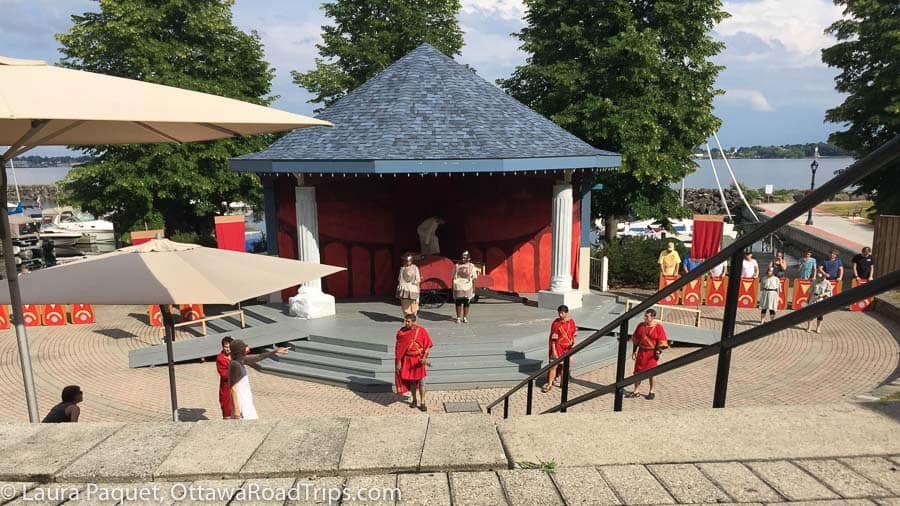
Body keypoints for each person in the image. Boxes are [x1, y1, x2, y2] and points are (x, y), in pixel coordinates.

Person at [228, 340, 288, 420]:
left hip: (246, 402)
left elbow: (258, 357)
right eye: (244, 348)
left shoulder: (241, 361)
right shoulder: (235, 365)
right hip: (241, 404)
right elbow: (233, 388)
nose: (246, 349)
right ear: (239, 351)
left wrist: (275, 351)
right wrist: (237, 409)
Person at [394, 314, 433, 411]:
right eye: (405, 321)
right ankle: (414, 400)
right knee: (412, 382)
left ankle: (423, 402)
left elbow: (428, 345)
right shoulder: (401, 332)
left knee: (421, 382)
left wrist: (424, 357)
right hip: (408, 360)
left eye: (408, 321)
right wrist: (399, 362)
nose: (406, 323)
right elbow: (399, 349)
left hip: (418, 360)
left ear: (414, 322)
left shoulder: (421, 331)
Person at [628, 309, 669, 400]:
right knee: (637, 372)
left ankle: (652, 391)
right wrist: (634, 351)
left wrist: (658, 351)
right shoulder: (640, 326)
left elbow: (662, 341)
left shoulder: (658, 327)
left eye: (647, 316)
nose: (645, 318)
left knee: (652, 373)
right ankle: (636, 391)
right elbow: (636, 340)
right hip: (641, 352)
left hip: (652, 353)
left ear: (653, 317)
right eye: (645, 316)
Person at [542, 305, 577, 392]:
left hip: (568, 347)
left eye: (562, 313)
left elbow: (573, 334)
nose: (560, 315)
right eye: (559, 313)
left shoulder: (571, 322)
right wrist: (553, 351)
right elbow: (553, 339)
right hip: (558, 347)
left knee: (565, 367)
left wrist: (574, 342)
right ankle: (549, 384)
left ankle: (562, 383)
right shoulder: (556, 323)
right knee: (554, 366)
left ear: (566, 313)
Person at [452, 251, 478, 323]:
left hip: (467, 287)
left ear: (468, 258)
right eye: (462, 257)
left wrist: (474, 289)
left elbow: (474, 278)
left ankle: (465, 317)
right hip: (458, 287)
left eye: (465, 258)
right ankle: (458, 318)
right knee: (458, 302)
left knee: (466, 302)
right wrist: (452, 288)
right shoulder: (457, 266)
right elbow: (453, 277)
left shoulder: (471, 266)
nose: (463, 259)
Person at [215, 336, 234, 419]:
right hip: (226, 388)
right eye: (226, 347)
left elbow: (247, 348)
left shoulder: (235, 354)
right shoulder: (220, 358)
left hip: (237, 387)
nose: (228, 349)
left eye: (230, 347)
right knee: (227, 411)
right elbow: (224, 374)